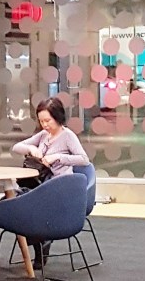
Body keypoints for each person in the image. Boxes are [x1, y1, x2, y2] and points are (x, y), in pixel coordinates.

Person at [11, 96, 90, 267]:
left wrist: (58, 157)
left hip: (59, 186)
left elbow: (84, 159)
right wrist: (31, 149)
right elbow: (16, 147)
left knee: (30, 205)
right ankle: (41, 241)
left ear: (58, 117)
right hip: (41, 184)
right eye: (41, 121)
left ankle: (41, 242)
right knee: (17, 202)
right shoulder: (43, 135)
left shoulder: (67, 135)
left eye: (48, 120)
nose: (45, 125)